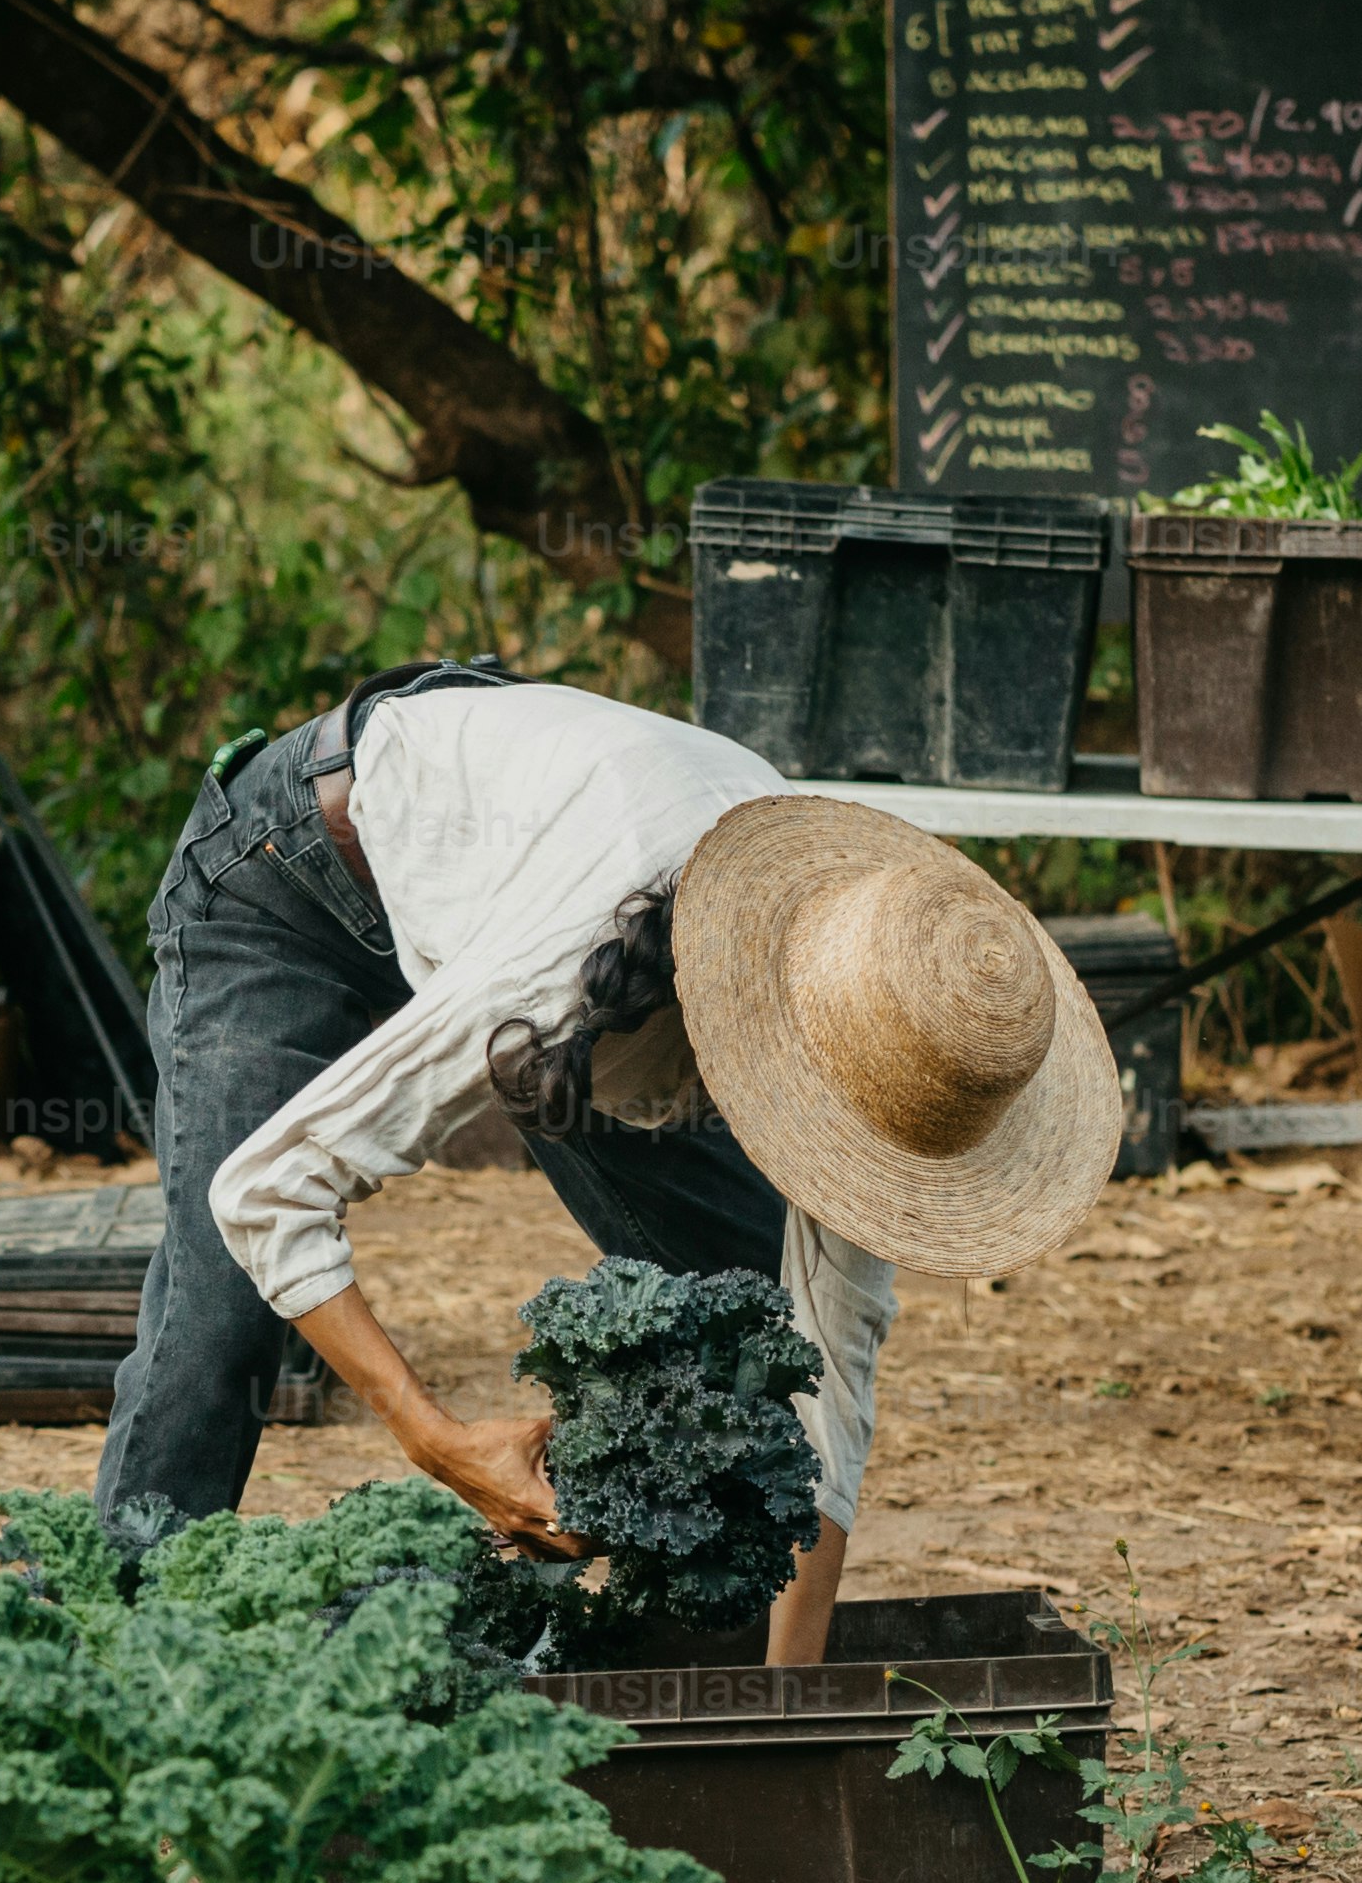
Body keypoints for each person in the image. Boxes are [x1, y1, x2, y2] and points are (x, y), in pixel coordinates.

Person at [96, 663, 1125, 1663]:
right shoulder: (567, 970)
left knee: (757, 1302)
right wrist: (437, 1438)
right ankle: (109, 1659)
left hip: (557, 894)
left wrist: (791, 1710)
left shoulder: (869, 1006)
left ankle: (643, 1587)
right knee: (224, 1303)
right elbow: (267, 1193)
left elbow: (830, 1394)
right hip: (291, 872)